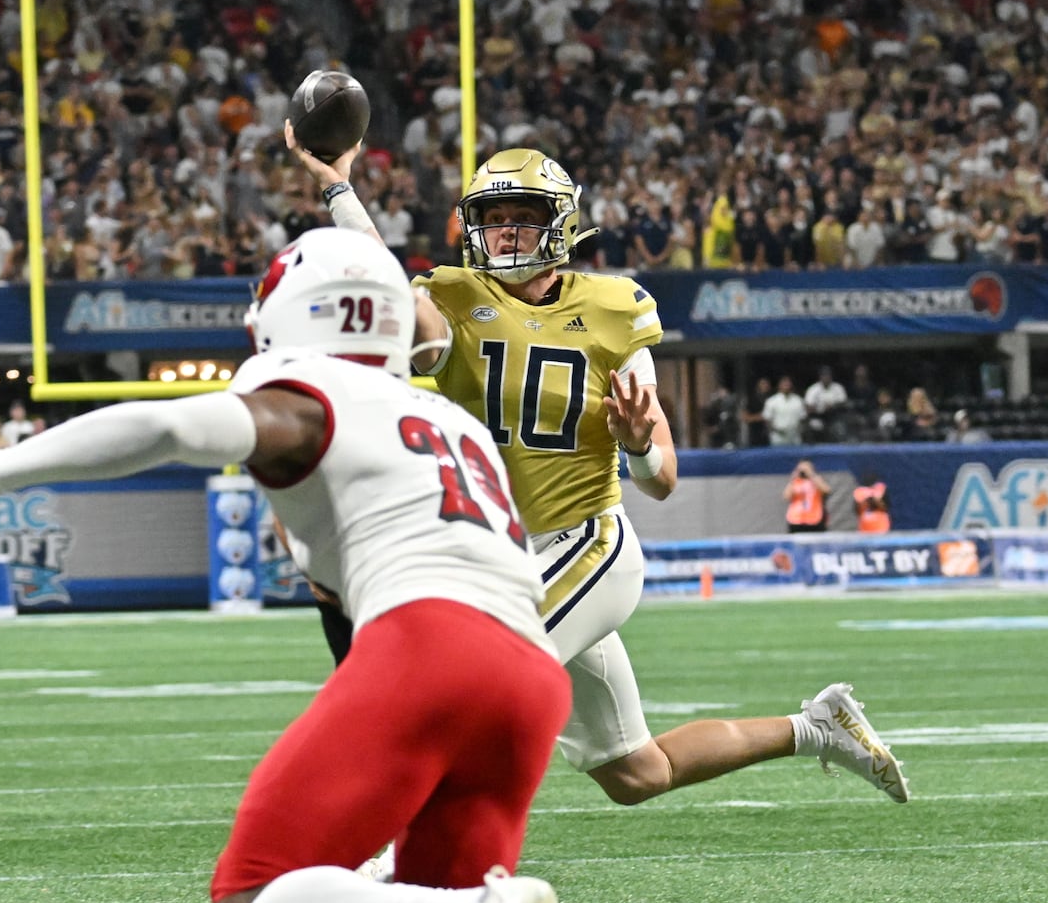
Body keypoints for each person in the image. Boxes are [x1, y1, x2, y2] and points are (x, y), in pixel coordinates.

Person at [0, 228, 571, 903]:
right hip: (530, 678)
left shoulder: (311, 396)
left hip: (433, 643)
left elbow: (166, 428)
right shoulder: (453, 422)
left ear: (290, 310)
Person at [293, 132, 909, 817]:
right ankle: (817, 728)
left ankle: (381, 851)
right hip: (497, 552)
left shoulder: (613, 308)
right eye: (493, 218)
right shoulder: (454, 295)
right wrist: (337, 186)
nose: (505, 232)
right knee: (635, 773)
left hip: (584, 542)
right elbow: (380, 282)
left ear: (559, 223)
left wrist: (637, 445)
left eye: (522, 216)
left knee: (457, 681)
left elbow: (662, 478)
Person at [784, 459, 831, 533]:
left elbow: (826, 490)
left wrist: (811, 474)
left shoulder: (817, 479)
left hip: (815, 519)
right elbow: (786, 496)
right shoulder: (796, 481)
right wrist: (793, 478)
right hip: (796, 519)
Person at [762, 375, 807, 446]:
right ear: (779, 385)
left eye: (788, 384)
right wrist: (775, 430)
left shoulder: (798, 400)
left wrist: (799, 430)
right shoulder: (771, 401)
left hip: (794, 436)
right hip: (778, 437)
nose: (786, 386)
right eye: (784, 384)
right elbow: (767, 419)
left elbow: (803, 418)